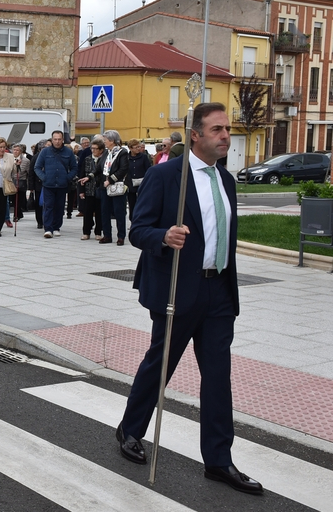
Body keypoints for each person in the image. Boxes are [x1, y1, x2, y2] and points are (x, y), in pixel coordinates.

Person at [116, 102, 262, 495]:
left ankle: (218, 460)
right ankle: (131, 430)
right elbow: (138, 229)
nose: (225, 136)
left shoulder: (226, 180)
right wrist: (164, 237)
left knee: (218, 378)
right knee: (159, 365)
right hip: (178, 288)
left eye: (227, 129)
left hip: (218, 293)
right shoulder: (166, 176)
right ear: (195, 134)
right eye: (217, 130)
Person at [33, 130, 77, 238]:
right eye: (55, 139)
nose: (57, 141)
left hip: (62, 185)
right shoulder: (45, 152)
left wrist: (67, 178)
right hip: (48, 184)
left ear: (62, 140)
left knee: (59, 206)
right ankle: (48, 228)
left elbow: (74, 168)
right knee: (48, 206)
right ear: (52, 140)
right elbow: (37, 167)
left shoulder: (68, 152)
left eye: (59, 139)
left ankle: (56, 227)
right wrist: (44, 178)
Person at [98, 130, 129, 245]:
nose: (104, 142)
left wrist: (110, 180)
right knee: (104, 211)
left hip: (117, 186)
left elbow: (123, 169)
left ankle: (121, 236)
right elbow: (99, 167)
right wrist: (90, 176)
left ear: (112, 141)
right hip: (104, 187)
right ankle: (107, 235)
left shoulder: (122, 152)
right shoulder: (107, 152)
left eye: (105, 140)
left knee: (118, 211)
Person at [76, 137, 104, 240]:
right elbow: (82, 175)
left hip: (100, 189)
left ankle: (98, 232)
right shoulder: (87, 159)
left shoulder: (104, 159)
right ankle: (86, 232)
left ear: (101, 150)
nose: (93, 150)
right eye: (92, 148)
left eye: (96, 148)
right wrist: (81, 191)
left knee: (99, 212)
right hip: (88, 189)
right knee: (87, 212)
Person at [126, 138, 152, 221]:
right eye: (136, 147)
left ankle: (142, 220)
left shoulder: (143, 157)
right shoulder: (126, 158)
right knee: (132, 204)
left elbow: (148, 169)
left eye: (139, 147)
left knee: (142, 203)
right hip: (131, 184)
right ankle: (133, 220)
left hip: (142, 183)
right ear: (130, 148)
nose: (138, 149)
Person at [11, 144, 29, 221]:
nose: (15, 152)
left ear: (21, 152)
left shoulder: (26, 161)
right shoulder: (9, 159)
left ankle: (16, 215)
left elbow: (28, 172)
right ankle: (19, 214)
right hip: (11, 181)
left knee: (19, 200)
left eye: (17, 150)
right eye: (14, 150)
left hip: (21, 182)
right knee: (13, 199)